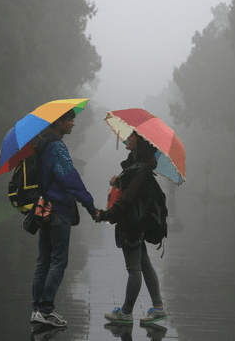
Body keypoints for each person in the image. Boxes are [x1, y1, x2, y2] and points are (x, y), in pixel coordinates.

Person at [30, 109, 98, 327]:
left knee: (44, 260)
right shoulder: (57, 146)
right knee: (58, 261)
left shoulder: (41, 146)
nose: (72, 124)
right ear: (57, 121)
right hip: (58, 210)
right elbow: (70, 178)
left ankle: (37, 310)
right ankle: (45, 310)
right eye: (69, 119)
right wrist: (89, 204)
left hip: (45, 210)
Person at [95, 131, 167, 324]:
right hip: (137, 222)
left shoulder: (141, 169)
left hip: (132, 224)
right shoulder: (137, 167)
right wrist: (119, 182)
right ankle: (158, 307)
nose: (128, 138)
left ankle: (126, 313)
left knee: (134, 269)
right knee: (144, 264)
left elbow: (127, 200)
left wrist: (105, 215)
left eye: (132, 136)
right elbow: (133, 193)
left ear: (141, 141)